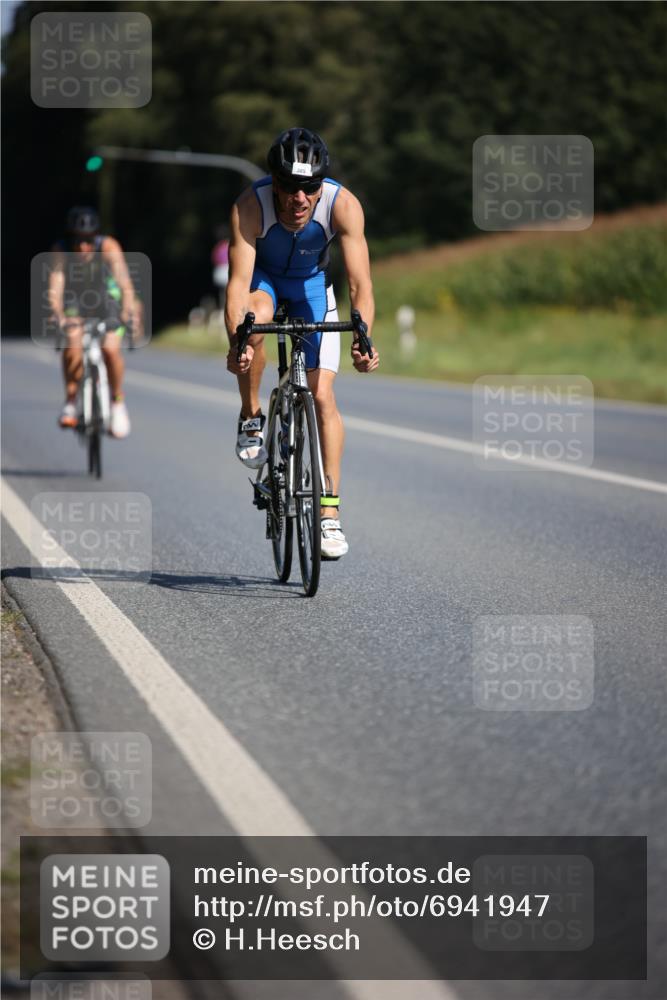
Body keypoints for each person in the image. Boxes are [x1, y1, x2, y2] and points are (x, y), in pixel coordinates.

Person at [225, 127, 379, 560]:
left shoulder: (343, 205)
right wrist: (238, 341)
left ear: (320, 187)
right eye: (289, 188)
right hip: (266, 285)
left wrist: (363, 335)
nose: (299, 199)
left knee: (323, 396)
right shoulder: (249, 207)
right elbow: (237, 287)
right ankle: (251, 415)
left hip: (313, 287)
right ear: (274, 182)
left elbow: (360, 284)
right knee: (255, 319)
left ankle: (328, 513)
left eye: (309, 188)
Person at [49, 206, 135, 438]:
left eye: (88, 241)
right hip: (76, 299)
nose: (84, 247)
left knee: (109, 348)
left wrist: (126, 312)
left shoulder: (108, 247)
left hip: (107, 299)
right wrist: (58, 315)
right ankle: (70, 400)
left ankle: (117, 402)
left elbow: (125, 285)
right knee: (73, 339)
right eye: (78, 241)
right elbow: (55, 288)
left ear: (95, 237)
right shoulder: (61, 250)